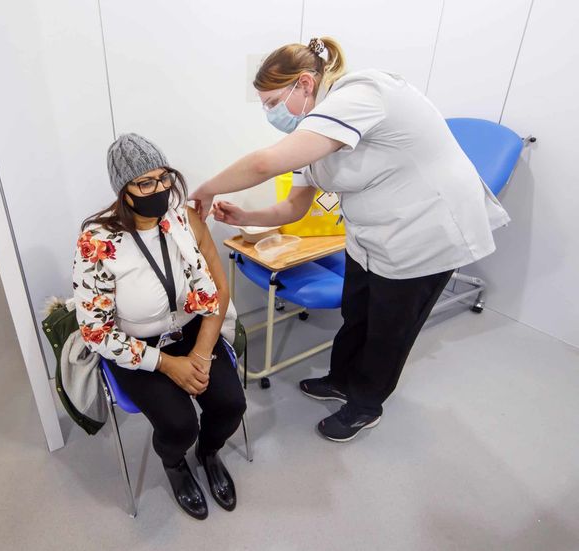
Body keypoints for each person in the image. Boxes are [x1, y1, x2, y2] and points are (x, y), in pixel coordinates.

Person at [191, 37, 509, 442]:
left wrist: (205, 190)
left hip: (425, 234)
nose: (271, 113)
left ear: (304, 84)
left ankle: (365, 405)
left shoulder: (364, 92)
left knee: (389, 329)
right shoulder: (316, 129)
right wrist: (246, 216)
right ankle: (341, 380)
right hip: (373, 234)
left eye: (273, 102)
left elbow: (264, 163)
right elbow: (294, 209)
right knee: (357, 313)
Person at [73, 133, 246, 520]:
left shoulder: (185, 220)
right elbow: (96, 331)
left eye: (165, 177)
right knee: (178, 424)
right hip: (136, 345)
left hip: (191, 332)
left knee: (231, 404)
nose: (161, 189)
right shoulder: (97, 241)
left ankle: (209, 452)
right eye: (146, 182)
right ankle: (175, 463)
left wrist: (200, 354)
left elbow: (217, 290)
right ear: (124, 189)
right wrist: (168, 365)